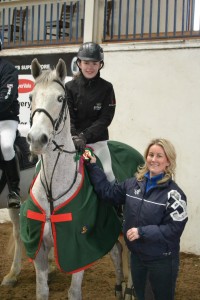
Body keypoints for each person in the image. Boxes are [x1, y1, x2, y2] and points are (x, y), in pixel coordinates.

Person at [86, 138, 188, 300]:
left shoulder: (174, 195)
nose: (153, 160)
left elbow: (174, 229)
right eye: (151, 155)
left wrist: (142, 232)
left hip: (161, 261)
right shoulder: (132, 184)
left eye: (159, 156)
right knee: (141, 296)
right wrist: (92, 166)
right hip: (137, 258)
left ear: (168, 161)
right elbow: (108, 193)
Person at [65, 42, 116, 182]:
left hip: (97, 143)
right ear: (79, 63)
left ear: (100, 64)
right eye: (86, 63)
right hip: (72, 142)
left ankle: (116, 203)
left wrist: (85, 136)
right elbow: (68, 115)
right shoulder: (69, 87)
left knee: (108, 173)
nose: (90, 67)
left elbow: (106, 118)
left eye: (95, 63)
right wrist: (75, 136)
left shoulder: (107, 88)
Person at [0, 36, 21, 208]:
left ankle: (14, 191)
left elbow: (5, 99)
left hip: (6, 119)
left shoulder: (8, 69)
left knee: (6, 145)